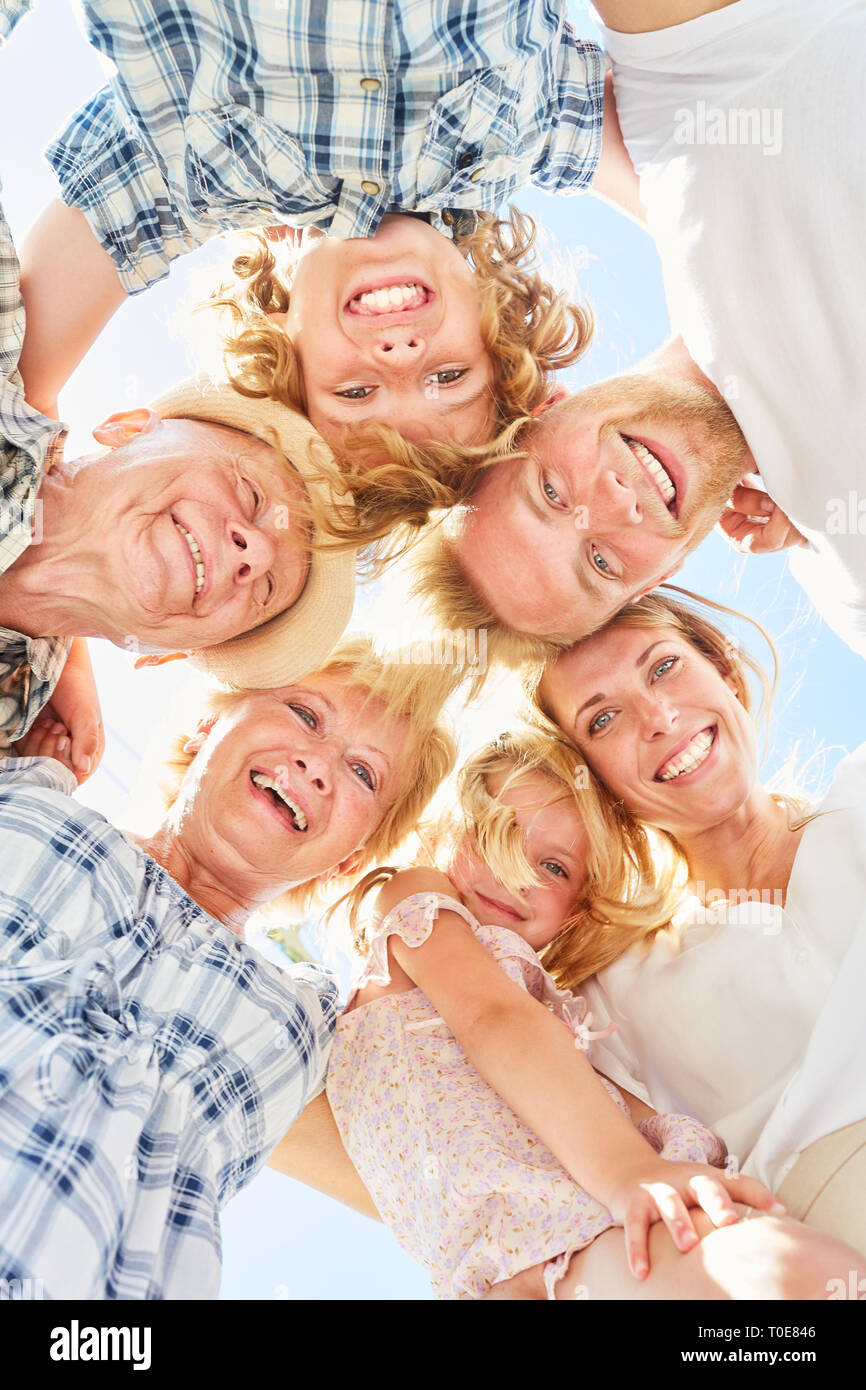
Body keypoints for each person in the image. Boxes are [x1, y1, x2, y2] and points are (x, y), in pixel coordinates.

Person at [301, 728, 863, 1301]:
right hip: (508, 1258)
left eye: (554, 869)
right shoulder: (416, 901)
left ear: (573, 915)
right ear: (444, 832)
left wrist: (674, 1165)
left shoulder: (553, 1005)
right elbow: (492, 1019)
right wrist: (627, 1171)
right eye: (497, 834)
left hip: (585, 1230)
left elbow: (599, 1094)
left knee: (796, 1279)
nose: (517, 874)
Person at [0, 637, 458, 1298]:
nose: (319, 763)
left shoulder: (305, 1025)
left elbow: (451, 1174)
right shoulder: (30, 794)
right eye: (304, 714)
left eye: (364, 774)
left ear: (350, 860)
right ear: (208, 723)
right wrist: (67, 652)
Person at [6, 0, 617, 449]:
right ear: (496, 327)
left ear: (283, 341)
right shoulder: (533, 136)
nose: (399, 356)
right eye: (448, 376)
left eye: (354, 393)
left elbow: (19, 394)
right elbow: (690, 190)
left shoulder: (200, 177)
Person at [531, 590, 866, 1255]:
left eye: (662, 667)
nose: (658, 716)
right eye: (604, 721)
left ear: (728, 675)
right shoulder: (616, 992)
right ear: (600, 785)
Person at [0, 190, 356, 773]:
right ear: (128, 428)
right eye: (252, 494)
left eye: (265, 592)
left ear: (173, 653)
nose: (256, 551)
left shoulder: (20, 771)